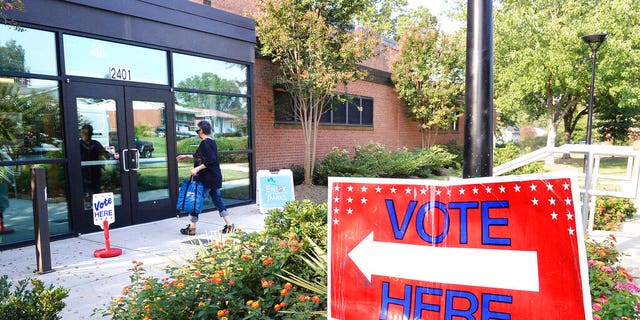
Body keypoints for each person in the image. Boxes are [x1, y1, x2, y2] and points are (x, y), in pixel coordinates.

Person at [176, 120, 234, 235]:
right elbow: (202, 156)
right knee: (217, 201)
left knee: (196, 201)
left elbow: (211, 160)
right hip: (214, 178)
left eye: (197, 129)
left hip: (207, 179)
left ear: (201, 130)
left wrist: (196, 169)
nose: (197, 132)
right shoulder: (211, 142)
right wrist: (186, 156)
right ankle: (229, 225)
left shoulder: (205, 143)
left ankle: (191, 228)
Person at [79, 124, 110, 202]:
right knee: (85, 192)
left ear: (91, 134)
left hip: (95, 172)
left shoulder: (95, 143)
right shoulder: (78, 144)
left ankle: (96, 207)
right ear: (82, 133)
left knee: (96, 192)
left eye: (88, 133)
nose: (86, 135)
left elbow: (105, 154)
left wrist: (111, 155)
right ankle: (87, 204)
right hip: (83, 173)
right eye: (84, 133)